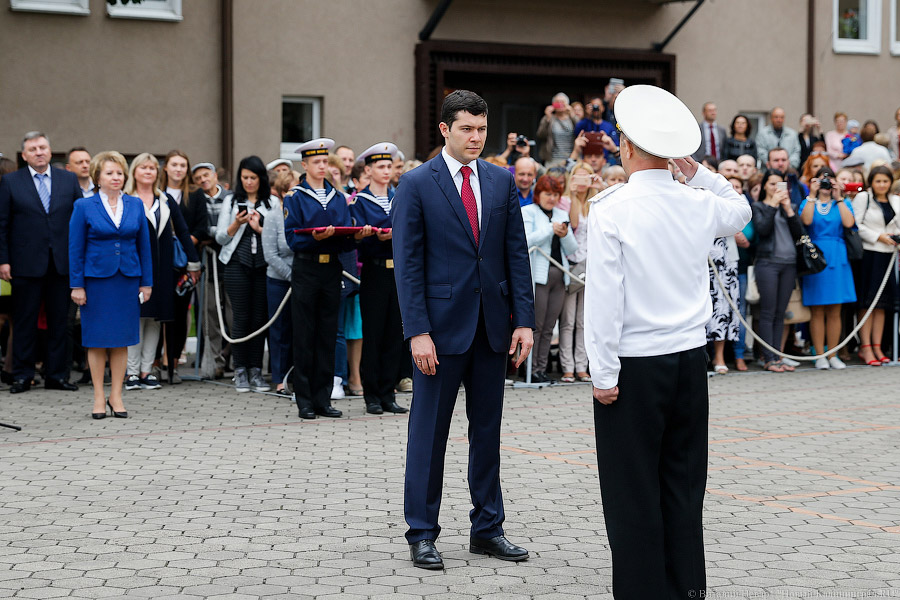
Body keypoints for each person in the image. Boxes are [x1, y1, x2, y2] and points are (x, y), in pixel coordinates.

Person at [584, 85, 751, 598]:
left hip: (634, 365)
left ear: (627, 147)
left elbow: (605, 301)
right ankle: (686, 589)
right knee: (681, 483)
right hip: (688, 362)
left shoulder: (611, 208)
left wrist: (603, 373)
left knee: (631, 490)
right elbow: (739, 208)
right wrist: (693, 168)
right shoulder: (698, 203)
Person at [392, 90, 535, 569]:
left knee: (488, 432)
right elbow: (408, 266)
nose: (476, 137)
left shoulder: (500, 181)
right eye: (467, 129)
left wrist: (525, 321)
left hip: (493, 330)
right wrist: (418, 331)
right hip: (438, 333)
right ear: (445, 130)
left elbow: (516, 254)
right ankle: (422, 533)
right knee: (428, 434)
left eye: (481, 128)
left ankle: (487, 529)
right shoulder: (415, 185)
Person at [69, 151, 153, 418]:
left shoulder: (135, 204)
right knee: (96, 340)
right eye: (109, 173)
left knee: (121, 340)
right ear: (97, 177)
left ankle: (116, 395)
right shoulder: (84, 206)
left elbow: (144, 247)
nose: (115, 177)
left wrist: (146, 283)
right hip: (96, 282)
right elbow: (75, 248)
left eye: (119, 173)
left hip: (127, 280)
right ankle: (97, 396)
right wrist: (77, 284)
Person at [0, 132, 82, 393]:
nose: (39, 152)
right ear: (24, 156)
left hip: (62, 263)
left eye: (43, 147)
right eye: (33, 149)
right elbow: (2, 225)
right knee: (25, 321)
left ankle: (57, 375)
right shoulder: (11, 182)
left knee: (60, 322)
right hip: (25, 263)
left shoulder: (68, 180)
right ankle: (23, 376)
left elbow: (79, 221)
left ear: (50, 150)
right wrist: (4, 260)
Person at [283, 138, 352, 419]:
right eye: (317, 162)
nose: (322, 166)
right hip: (307, 268)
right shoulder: (295, 196)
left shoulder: (337, 197)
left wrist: (351, 236)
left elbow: (346, 233)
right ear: (305, 165)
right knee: (304, 334)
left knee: (327, 333)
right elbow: (292, 238)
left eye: (325, 162)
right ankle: (305, 400)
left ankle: (323, 399)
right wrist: (315, 238)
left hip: (331, 268)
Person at [124, 153, 200, 391]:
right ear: (134, 172)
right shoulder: (126, 199)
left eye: (152, 168)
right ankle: (132, 372)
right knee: (135, 318)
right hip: (133, 268)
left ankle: (148, 371)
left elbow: (184, 232)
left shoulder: (165, 200)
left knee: (156, 319)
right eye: (143, 168)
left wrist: (194, 263)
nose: (148, 171)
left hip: (163, 269)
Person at [349, 142, 409, 415]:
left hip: (398, 270)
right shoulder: (360, 201)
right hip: (374, 269)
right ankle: (371, 394)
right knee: (373, 333)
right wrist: (375, 236)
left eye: (389, 166)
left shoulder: (400, 197)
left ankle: (388, 393)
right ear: (369, 170)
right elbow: (356, 238)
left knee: (394, 333)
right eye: (381, 167)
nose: (387, 172)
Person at [215, 156, 273, 393]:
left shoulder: (272, 203)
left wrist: (260, 227)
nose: (249, 182)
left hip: (263, 267)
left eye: (253, 178)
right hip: (236, 265)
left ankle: (256, 370)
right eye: (245, 178)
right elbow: (220, 237)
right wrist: (236, 224)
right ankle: (240, 370)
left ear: (261, 179)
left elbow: (277, 237)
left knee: (259, 319)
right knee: (240, 318)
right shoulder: (231, 202)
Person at [798, 167, 855, 369]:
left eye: (829, 179)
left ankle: (833, 354)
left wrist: (839, 197)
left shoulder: (843, 202)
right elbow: (805, 220)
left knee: (835, 309)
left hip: (837, 256)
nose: (826, 184)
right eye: (822, 180)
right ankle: (819, 354)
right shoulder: (809, 202)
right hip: (816, 258)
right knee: (817, 309)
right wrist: (812, 195)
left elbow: (849, 223)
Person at [522, 175, 577, 383]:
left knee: (549, 326)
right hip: (538, 276)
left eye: (555, 194)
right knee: (535, 325)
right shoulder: (528, 212)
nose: (551, 198)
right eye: (547, 194)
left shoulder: (562, 213)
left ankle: (541, 369)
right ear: (539, 194)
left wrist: (564, 234)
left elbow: (572, 250)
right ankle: (529, 368)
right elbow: (526, 241)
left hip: (559, 275)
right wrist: (550, 229)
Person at [752, 169, 802, 373]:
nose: (776, 188)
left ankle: (778, 356)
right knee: (768, 311)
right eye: (772, 184)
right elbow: (762, 230)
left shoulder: (788, 207)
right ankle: (768, 358)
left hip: (789, 264)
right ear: (764, 185)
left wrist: (788, 209)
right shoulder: (758, 207)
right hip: (767, 263)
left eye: (779, 184)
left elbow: (800, 233)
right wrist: (772, 205)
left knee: (780, 313)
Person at [158, 150, 200, 384]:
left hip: (183, 263)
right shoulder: (156, 194)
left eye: (183, 165)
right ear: (166, 167)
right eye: (174, 164)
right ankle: (154, 364)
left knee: (179, 313)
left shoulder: (194, 195)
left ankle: (173, 362)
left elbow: (201, 227)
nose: (178, 169)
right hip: (159, 261)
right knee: (157, 314)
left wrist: (183, 244)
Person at [852, 165, 900, 366]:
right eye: (878, 181)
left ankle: (878, 346)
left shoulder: (896, 200)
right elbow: (856, 224)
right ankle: (866, 347)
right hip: (870, 254)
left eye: (885, 181)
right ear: (871, 182)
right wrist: (878, 237)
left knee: (882, 304)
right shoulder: (864, 198)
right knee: (868, 302)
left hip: (889, 255)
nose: (882, 185)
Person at [190, 162, 233, 379]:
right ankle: (213, 362)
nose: (203, 180)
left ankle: (237, 362)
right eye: (198, 178)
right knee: (210, 314)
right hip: (208, 262)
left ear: (215, 175)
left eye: (206, 175)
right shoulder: (196, 201)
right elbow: (199, 229)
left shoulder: (231, 198)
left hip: (232, 262)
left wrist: (214, 235)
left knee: (234, 314)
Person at [558, 163, 599, 383]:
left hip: (592, 264)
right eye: (577, 178)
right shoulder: (565, 201)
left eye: (586, 178)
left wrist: (599, 187)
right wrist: (573, 194)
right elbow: (573, 224)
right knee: (568, 319)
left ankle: (583, 366)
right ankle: (568, 367)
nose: (582, 183)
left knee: (585, 320)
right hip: (572, 265)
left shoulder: (596, 201)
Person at [261, 171, 295, 396]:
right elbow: (271, 254)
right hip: (279, 281)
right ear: (283, 193)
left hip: (302, 281)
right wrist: (293, 275)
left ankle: (295, 375)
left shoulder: (303, 213)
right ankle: (279, 379)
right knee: (279, 331)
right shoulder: (274, 216)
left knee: (297, 331)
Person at [537, 92, 577, 166]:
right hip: (552, 159)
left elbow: (580, 131)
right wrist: (547, 118)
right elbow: (541, 135)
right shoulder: (548, 118)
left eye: (562, 102)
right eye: (557, 102)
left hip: (570, 158)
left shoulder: (572, 118)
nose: (560, 104)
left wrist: (572, 114)